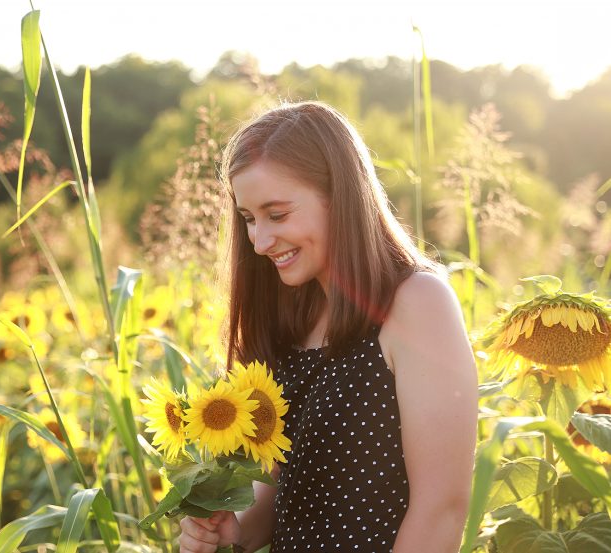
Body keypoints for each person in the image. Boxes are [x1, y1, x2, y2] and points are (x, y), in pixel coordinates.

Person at [178, 101, 479, 552]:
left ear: (341, 196)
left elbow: (442, 509)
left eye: (277, 215)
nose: (259, 241)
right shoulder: (294, 316)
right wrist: (233, 530)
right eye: (249, 219)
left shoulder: (417, 303)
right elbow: (289, 495)